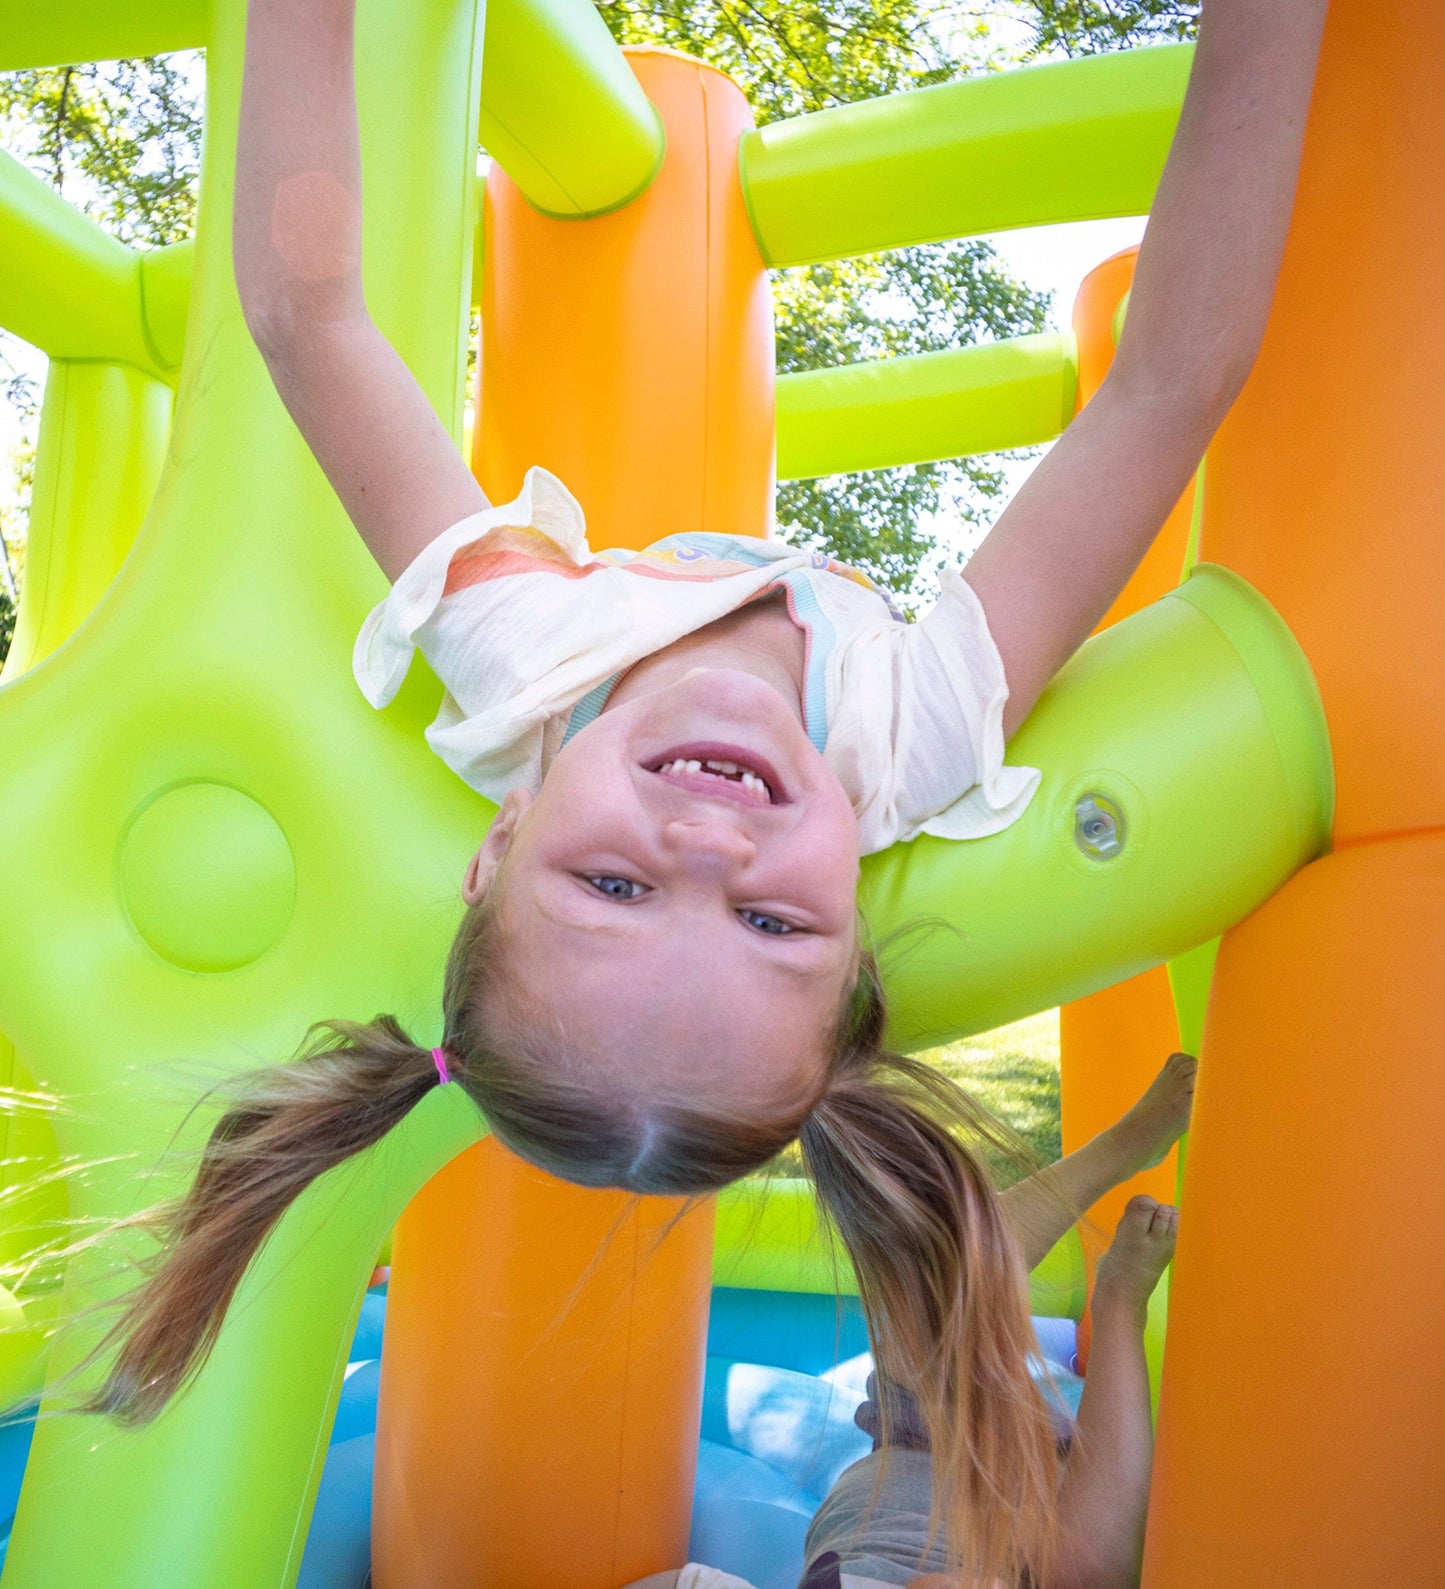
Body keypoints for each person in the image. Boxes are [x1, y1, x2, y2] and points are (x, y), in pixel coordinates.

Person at [86, 0, 1328, 1581]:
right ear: (857, 935)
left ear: (494, 845)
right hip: (810, 596)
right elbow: (1161, 390)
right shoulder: (912, 733)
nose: (708, 834)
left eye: (610, 887)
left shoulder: (521, 646)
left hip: (634, 573)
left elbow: (307, 318)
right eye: (773, 919)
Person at [623, 1054, 1192, 1589]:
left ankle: (1122, 1147)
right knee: (1090, 1574)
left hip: (915, 1456)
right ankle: (1119, 1302)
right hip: (1045, 1544)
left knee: (947, 1285)